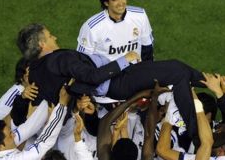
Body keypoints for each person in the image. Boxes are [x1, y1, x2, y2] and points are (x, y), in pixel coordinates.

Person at [17, 23, 204, 136]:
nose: (54, 37)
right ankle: (198, 134)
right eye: (50, 36)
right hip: (117, 81)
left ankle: (206, 81)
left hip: (110, 83)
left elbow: (57, 93)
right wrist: (124, 60)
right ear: (42, 44)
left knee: (176, 67)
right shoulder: (59, 58)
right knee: (177, 72)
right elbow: (93, 76)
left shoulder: (33, 71)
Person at [77, 0, 154, 62]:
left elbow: (147, 48)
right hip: (108, 73)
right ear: (106, 3)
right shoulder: (91, 27)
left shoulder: (140, 15)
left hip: (135, 71)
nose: (121, 3)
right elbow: (82, 61)